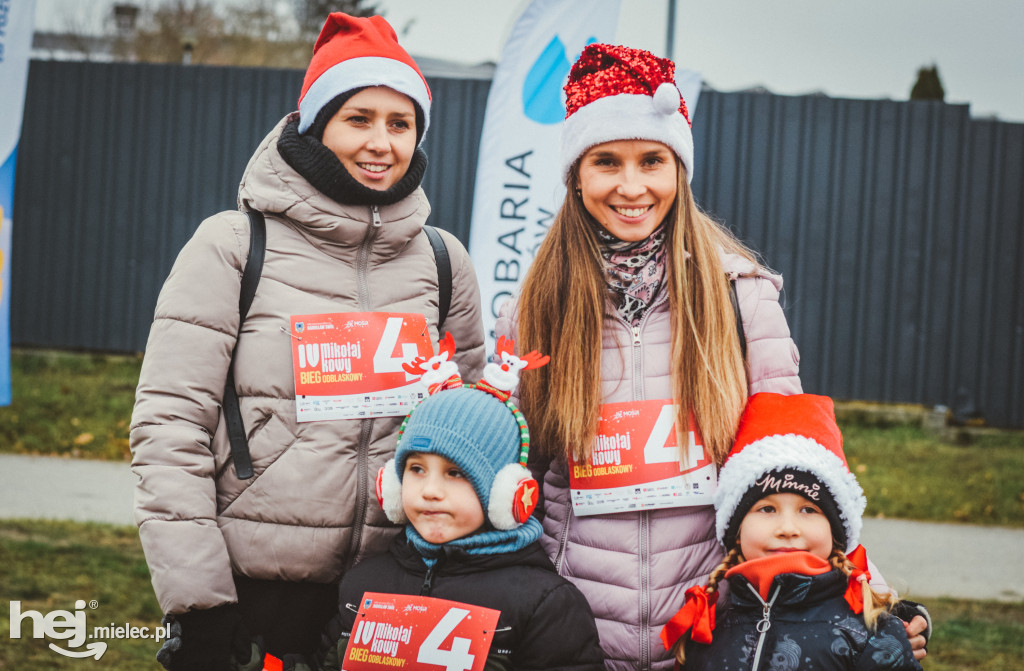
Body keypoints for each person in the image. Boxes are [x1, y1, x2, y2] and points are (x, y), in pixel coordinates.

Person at [495, 44, 927, 669]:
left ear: (680, 171)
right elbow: (507, 475)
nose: (632, 186)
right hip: (574, 627)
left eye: (653, 161)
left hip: (713, 627)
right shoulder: (534, 309)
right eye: (606, 162)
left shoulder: (740, 297)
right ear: (575, 175)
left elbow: (794, 457)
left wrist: (875, 594)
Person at [130, 12, 484, 670]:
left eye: (400, 123)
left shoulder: (443, 261)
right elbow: (167, 427)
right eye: (359, 118)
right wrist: (200, 605)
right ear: (317, 124)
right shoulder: (234, 247)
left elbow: (470, 433)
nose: (381, 142)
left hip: (394, 588)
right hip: (252, 593)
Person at [310, 337, 604, 670]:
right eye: (416, 469)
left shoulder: (545, 603)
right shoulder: (362, 585)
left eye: (456, 473)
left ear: (506, 493)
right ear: (393, 484)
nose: (430, 490)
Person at [661, 392, 926, 670]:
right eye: (767, 509)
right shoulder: (707, 628)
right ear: (736, 532)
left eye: (808, 510)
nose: (787, 528)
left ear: (835, 532)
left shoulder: (869, 635)